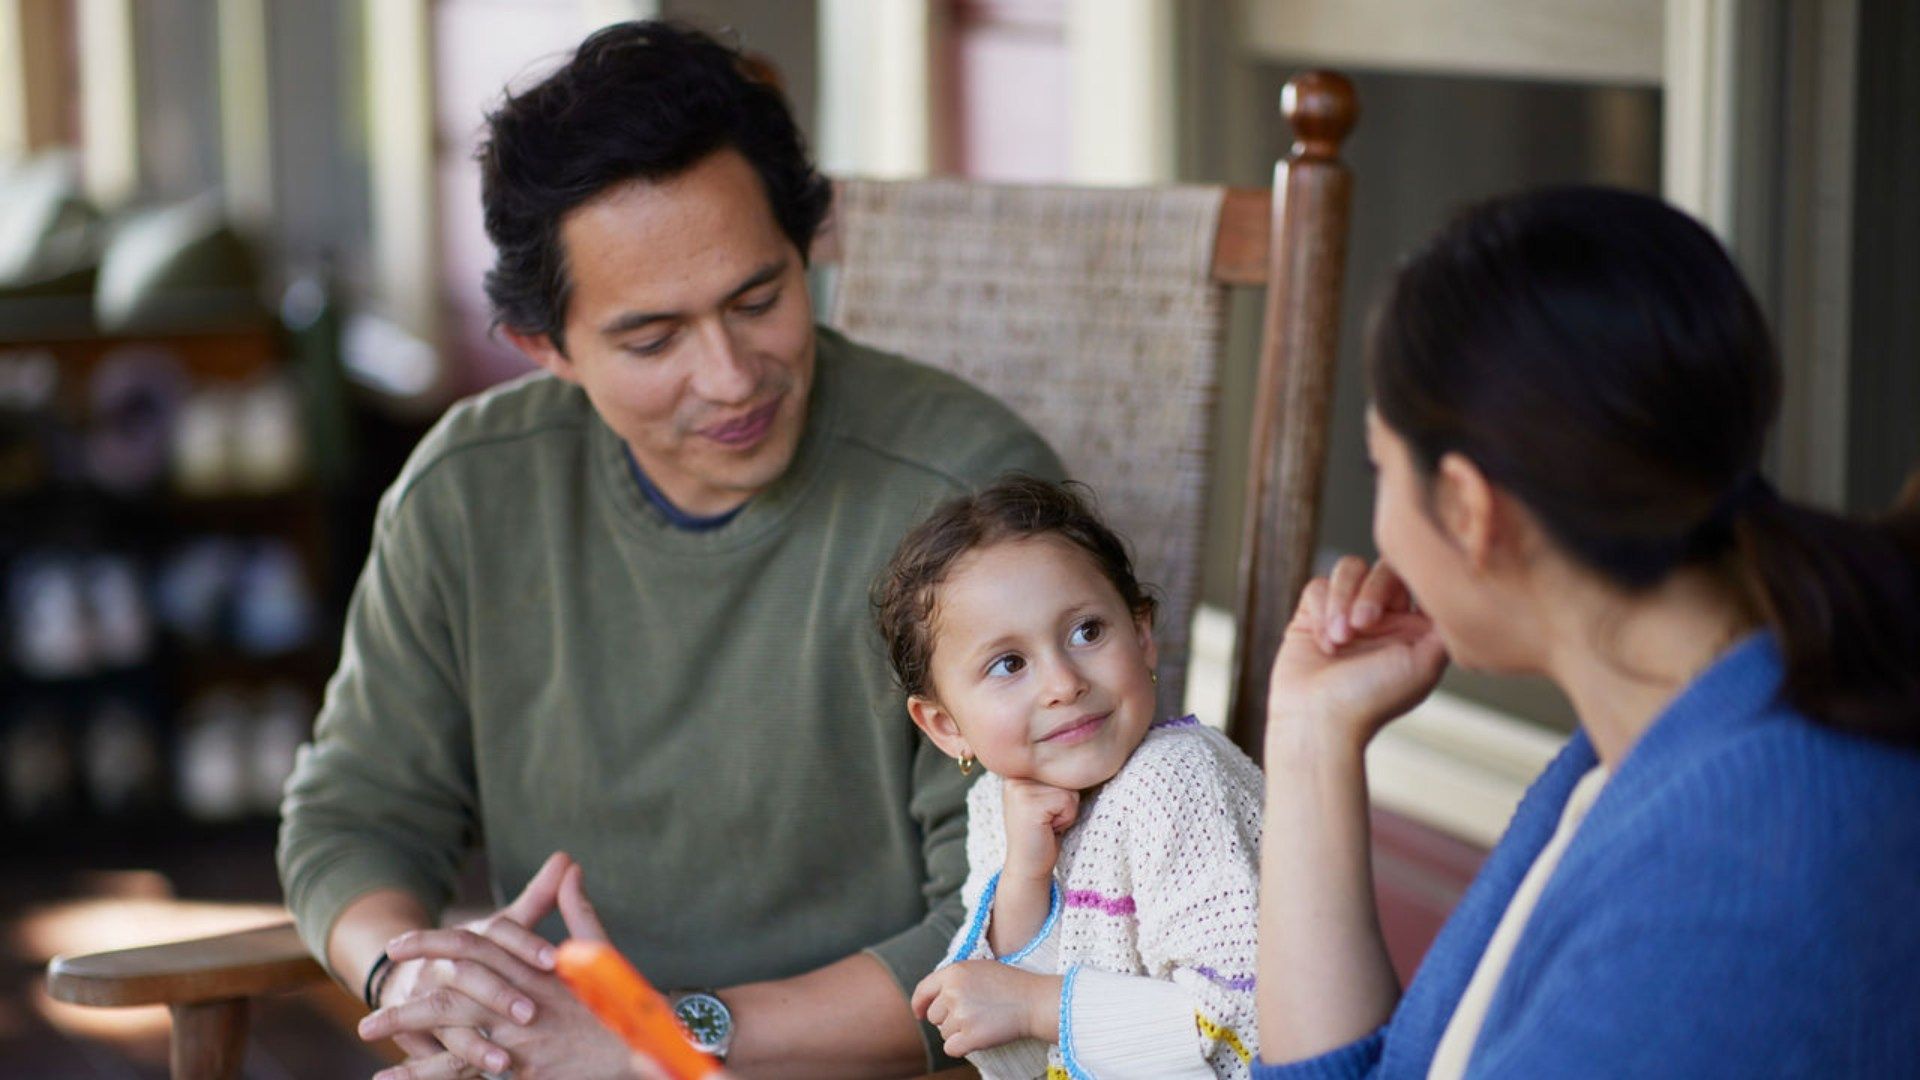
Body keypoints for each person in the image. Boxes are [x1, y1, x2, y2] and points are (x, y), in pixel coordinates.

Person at [281, 20, 1063, 1079]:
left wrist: (656, 1038)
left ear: (806, 248)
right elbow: (357, 813)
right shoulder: (470, 491)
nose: (733, 376)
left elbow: (1007, 932)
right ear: (543, 347)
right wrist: (411, 976)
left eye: (761, 299)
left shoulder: (965, 503)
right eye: (653, 340)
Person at [1251, 186, 1920, 1077]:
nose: (1379, 528)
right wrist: (1309, 739)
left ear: (1468, 507)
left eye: (1380, 465)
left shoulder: (1731, 878)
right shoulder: (1648, 740)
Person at [874, 476, 1265, 1079]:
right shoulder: (997, 807)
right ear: (946, 725)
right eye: (1009, 664)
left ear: (1140, 635)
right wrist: (1026, 882)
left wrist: (1037, 1006)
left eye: (1087, 631)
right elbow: (1007, 1043)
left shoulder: (1179, 781)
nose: (1063, 684)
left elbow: (1244, 1018)